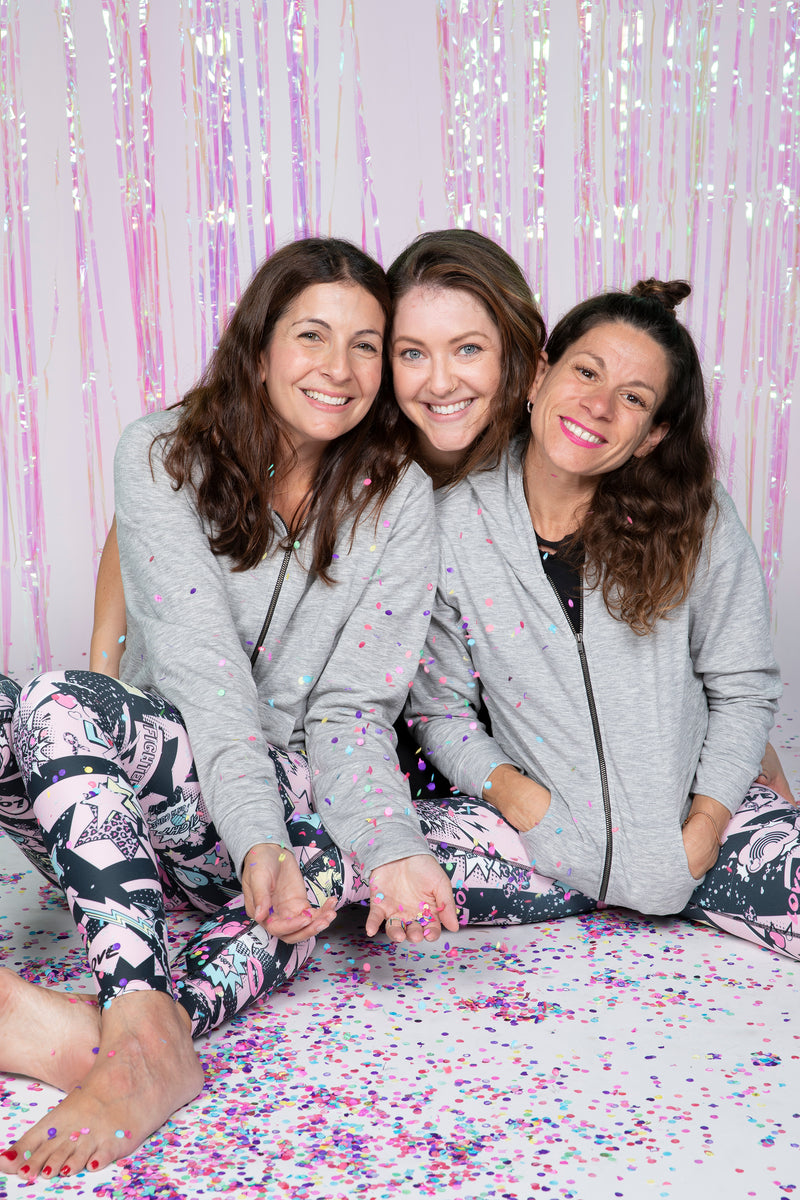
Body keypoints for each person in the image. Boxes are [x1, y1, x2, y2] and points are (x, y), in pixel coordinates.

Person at [0, 236, 461, 1181]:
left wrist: (301, 841)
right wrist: (253, 834)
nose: (339, 369)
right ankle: (132, 1026)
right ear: (258, 344)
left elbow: (351, 710)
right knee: (39, 702)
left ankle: (135, 1025)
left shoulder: (400, 497)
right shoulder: (164, 453)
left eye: (368, 345)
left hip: (278, 815)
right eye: (312, 335)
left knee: (309, 876)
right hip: (135, 802)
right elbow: (203, 676)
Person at [408, 278, 799, 959]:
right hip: (531, 851)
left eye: (634, 399)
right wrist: (525, 805)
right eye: (586, 371)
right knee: (341, 868)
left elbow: (743, 688)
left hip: (702, 842)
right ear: (539, 376)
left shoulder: (695, 519)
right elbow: (440, 712)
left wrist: (705, 826)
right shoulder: (452, 528)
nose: (598, 404)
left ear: (652, 437)